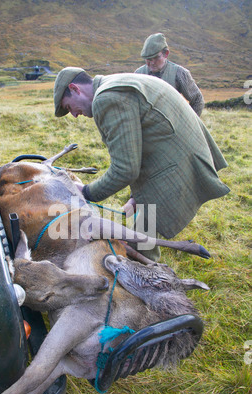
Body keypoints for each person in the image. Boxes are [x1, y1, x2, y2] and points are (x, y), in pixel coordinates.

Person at [53, 67, 230, 261]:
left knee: (140, 240)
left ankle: (149, 279)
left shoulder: (107, 98)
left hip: (175, 164)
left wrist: (86, 192)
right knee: (142, 225)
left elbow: (125, 169)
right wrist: (137, 196)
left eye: (69, 107)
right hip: (182, 153)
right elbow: (141, 144)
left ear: (75, 88)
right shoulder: (117, 81)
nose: (74, 115)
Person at [135, 33, 204, 116]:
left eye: (157, 57)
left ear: (166, 54)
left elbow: (197, 100)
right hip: (145, 127)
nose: (152, 63)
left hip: (171, 127)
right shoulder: (138, 75)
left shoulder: (179, 73)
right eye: (148, 59)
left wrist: (188, 124)